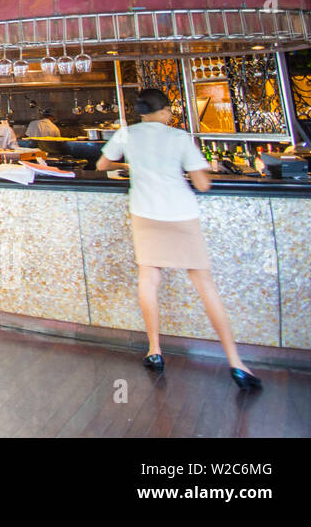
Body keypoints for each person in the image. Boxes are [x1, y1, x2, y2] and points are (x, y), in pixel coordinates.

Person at [96, 88, 261, 389]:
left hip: (145, 213)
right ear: (166, 111)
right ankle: (236, 362)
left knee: (148, 279)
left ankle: (154, 350)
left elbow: (101, 165)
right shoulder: (180, 137)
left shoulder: (127, 134)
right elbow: (202, 182)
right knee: (204, 285)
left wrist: (135, 166)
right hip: (180, 214)